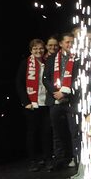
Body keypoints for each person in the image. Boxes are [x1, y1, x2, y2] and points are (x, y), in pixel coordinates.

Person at [45, 33, 78, 170]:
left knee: (74, 131)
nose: (70, 45)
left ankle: (76, 158)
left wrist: (65, 92)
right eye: (67, 42)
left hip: (72, 100)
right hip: (55, 100)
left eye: (72, 42)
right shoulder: (52, 58)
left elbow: (79, 78)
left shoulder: (78, 59)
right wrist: (56, 93)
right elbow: (45, 79)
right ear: (61, 44)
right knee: (57, 132)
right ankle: (59, 159)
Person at [19, 38, 49, 171]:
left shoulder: (48, 62)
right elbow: (19, 84)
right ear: (31, 50)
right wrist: (26, 102)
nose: (38, 51)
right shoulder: (25, 63)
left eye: (41, 48)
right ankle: (33, 161)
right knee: (32, 133)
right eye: (35, 49)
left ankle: (47, 158)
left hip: (46, 102)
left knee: (46, 132)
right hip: (32, 103)